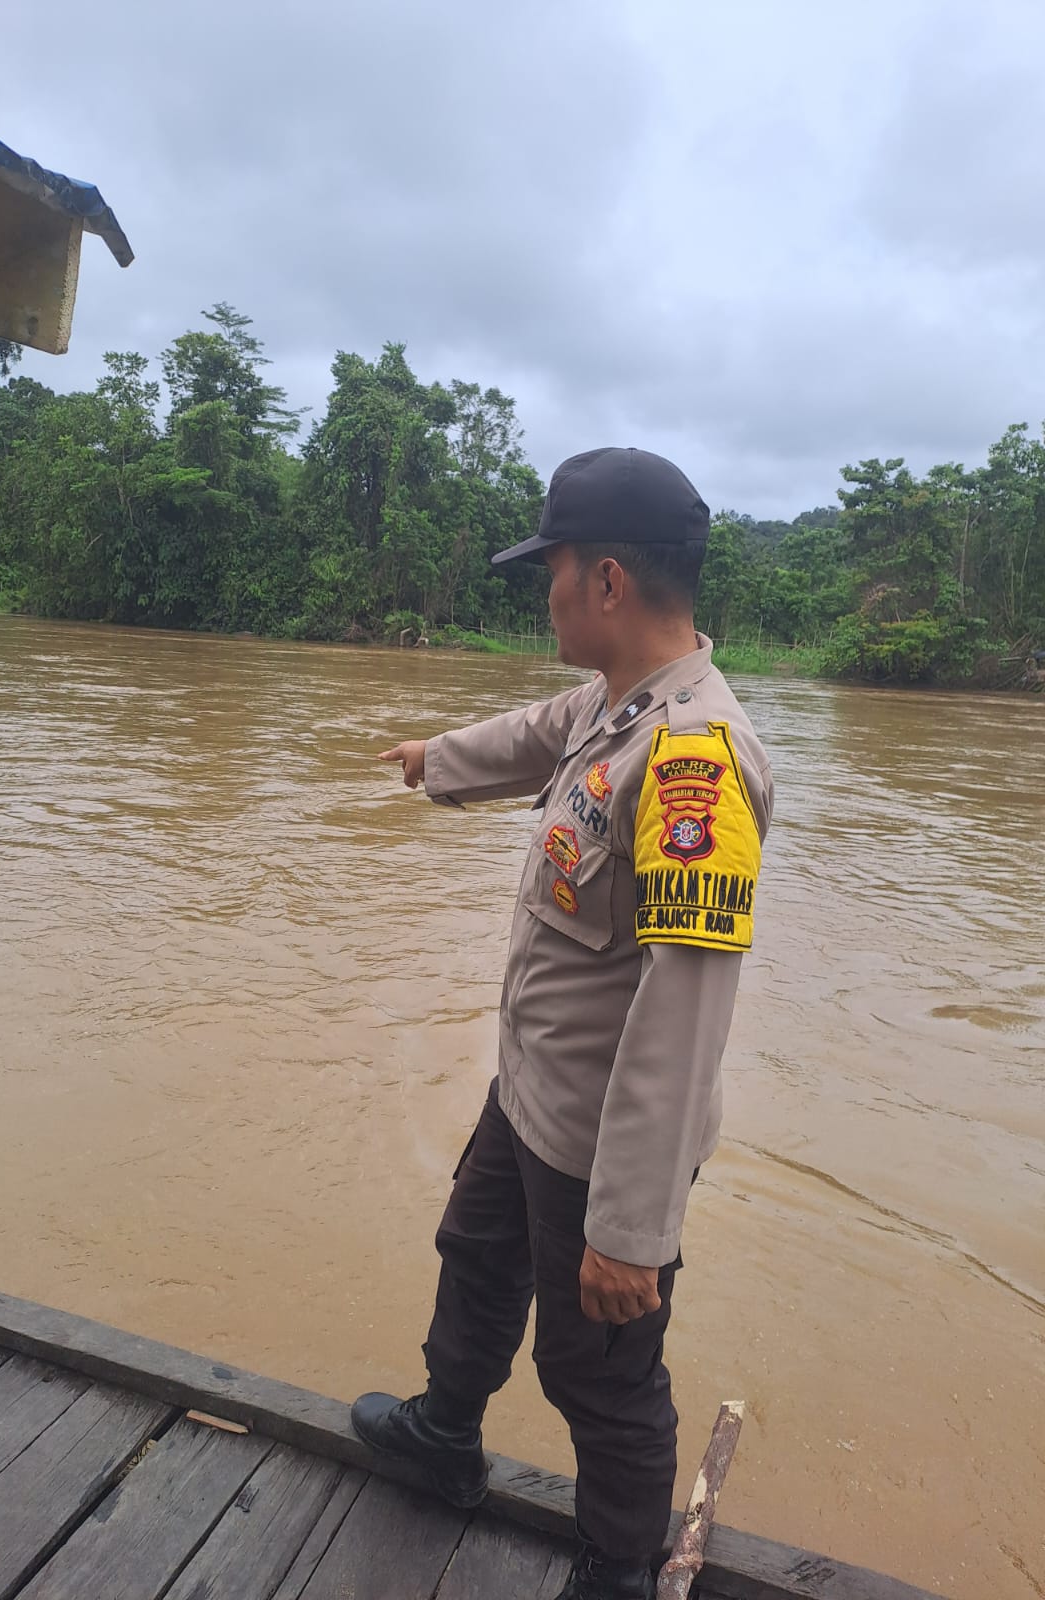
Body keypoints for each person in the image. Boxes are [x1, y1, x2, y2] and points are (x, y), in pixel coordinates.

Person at [352, 446, 774, 1600]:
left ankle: (619, 1570)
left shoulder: (694, 765)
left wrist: (630, 1230)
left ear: (606, 583)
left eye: (552, 569)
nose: (541, 592)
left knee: (600, 1368)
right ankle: (446, 1433)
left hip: (600, 1143)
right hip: (533, 1087)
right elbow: (539, 734)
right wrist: (433, 761)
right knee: (475, 1253)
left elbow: (684, 1016)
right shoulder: (618, 701)